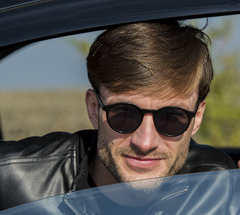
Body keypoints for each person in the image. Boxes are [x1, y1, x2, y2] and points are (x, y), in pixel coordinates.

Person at [0, 21, 237, 211]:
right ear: (94, 108)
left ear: (196, 118)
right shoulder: (13, 179)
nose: (145, 142)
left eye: (171, 119)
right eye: (124, 115)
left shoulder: (222, 188)